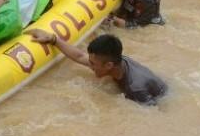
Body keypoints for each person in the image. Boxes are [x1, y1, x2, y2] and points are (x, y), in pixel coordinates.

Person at [25, 31, 167, 105]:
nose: (90, 66)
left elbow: (152, 114)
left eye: (93, 64)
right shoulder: (115, 62)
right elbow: (79, 56)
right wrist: (53, 40)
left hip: (160, 95)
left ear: (108, 65)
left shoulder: (135, 89)